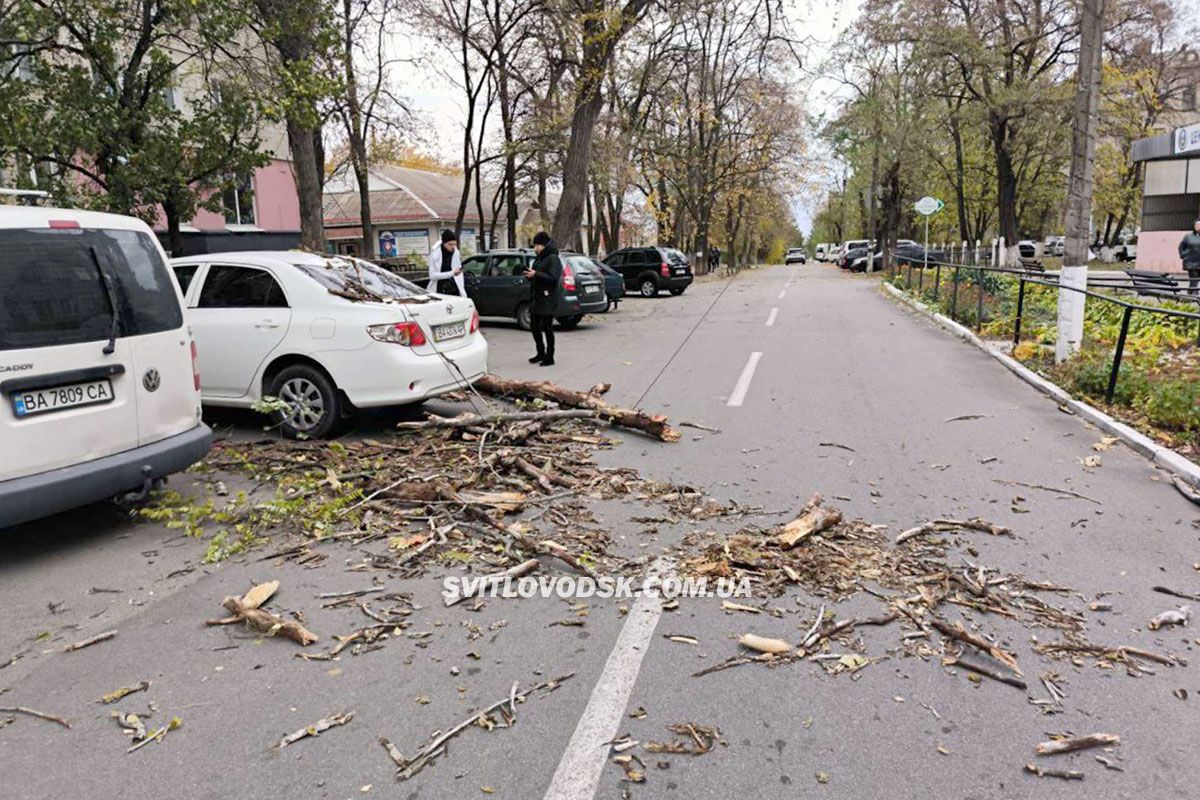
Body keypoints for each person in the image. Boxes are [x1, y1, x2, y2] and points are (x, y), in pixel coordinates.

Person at [524, 231, 563, 366]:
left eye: (536, 245)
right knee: (535, 327)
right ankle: (540, 352)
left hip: (548, 298)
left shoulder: (553, 258)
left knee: (547, 327)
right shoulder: (540, 258)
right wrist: (530, 275)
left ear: (543, 245)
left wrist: (536, 274)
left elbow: (553, 278)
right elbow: (537, 275)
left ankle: (549, 356)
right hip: (537, 297)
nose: (535, 248)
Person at [427, 230, 464, 296]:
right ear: (444, 243)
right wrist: (452, 273)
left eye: (454, 244)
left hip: (454, 288)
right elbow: (432, 276)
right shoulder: (435, 254)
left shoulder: (456, 252)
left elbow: (457, 271)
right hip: (439, 289)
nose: (453, 247)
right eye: (450, 244)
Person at [1181, 219, 1200, 295]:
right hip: (1190, 261)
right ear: (1194, 226)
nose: (1198, 227)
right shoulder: (1188, 236)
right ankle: (1195, 292)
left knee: (1195, 278)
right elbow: (1181, 246)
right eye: (1197, 225)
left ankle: (1190, 291)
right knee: (1194, 276)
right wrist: (1183, 255)